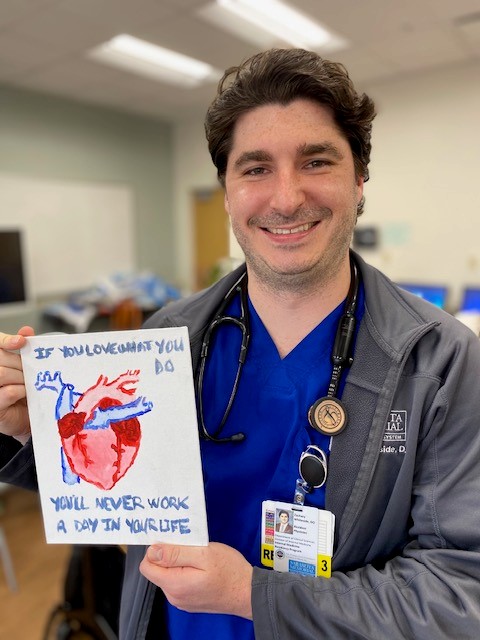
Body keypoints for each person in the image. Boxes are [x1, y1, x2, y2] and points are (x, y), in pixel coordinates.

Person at [1, 47, 480, 639]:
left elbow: (459, 592)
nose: (286, 198)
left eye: (316, 161)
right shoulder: (168, 341)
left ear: (359, 181)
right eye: (255, 169)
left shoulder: (441, 363)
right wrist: (32, 432)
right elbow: (116, 484)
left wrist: (253, 595)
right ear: (227, 192)